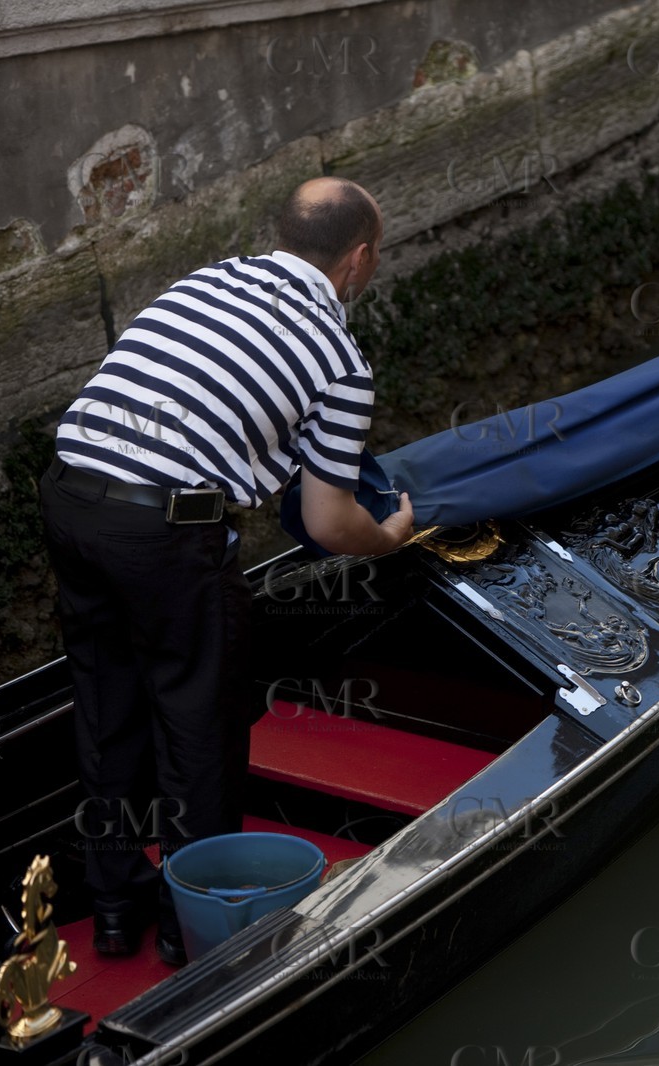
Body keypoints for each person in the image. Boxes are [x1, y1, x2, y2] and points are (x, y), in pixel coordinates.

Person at [38, 177, 414, 965]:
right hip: (165, 533)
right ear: (358, 259)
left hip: (70, 498)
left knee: (106, 709)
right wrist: (387, 537)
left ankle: (114, 911)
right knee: (199, 726)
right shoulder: (339, 360)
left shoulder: (204, 282)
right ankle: (190, 934)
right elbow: (328, 521)